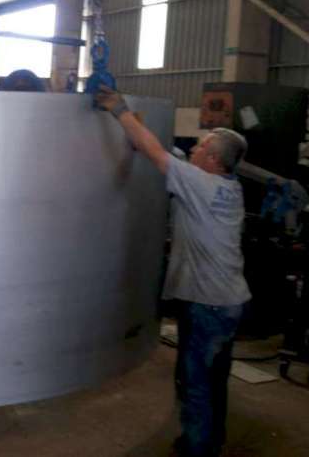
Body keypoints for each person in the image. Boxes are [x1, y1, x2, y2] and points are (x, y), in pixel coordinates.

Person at [96, 86, 250, 457]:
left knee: (194, 380)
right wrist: (140, 134)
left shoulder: (200, 183)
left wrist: (119, 110)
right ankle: (212, 438)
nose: (193, 149)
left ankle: (197, 448)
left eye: (200, 147)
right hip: (230, 301)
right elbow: (169, 155)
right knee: (215, 378)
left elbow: (156, 153)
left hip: (206, 303)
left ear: (212, 159)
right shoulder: (228, 187)